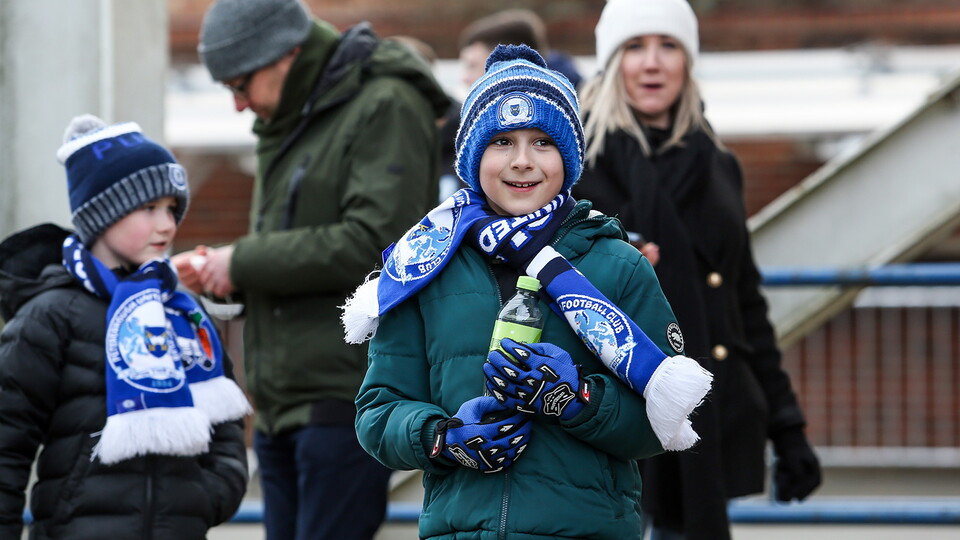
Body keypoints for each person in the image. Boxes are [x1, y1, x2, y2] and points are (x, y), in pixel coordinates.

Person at [347, 44, 712, 539]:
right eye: (501, 142)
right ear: (472, 156)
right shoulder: (425, 265)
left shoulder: (619, 265)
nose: (522, 161)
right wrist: (443, 437)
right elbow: (378, 411)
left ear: (569, 157)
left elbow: (657, 426)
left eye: (543, 142)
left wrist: (576, 399)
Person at [178, 1, 451, 539]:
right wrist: (228, 275)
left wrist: (242, 261)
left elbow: (379, 245)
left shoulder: (385, 103)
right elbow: (298, 242)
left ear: (284, 54)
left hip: (345, 397)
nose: (237, 105)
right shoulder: (294, 113)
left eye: (239, 84)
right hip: (282, 404)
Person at [572, 1, 823, 538]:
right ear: (612, 63)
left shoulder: (719, 166)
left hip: (706, 411)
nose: (652, 62)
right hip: (610, 416)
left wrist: (788, 425)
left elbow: (743, 301)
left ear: (687, 60)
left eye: (668, 46)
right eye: (634, 47)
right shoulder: (576, 166)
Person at [0, 115, 249, 540]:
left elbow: (225, 426)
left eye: (171, 209)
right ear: (103, 215)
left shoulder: (184, 312)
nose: (166, 224)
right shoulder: (52, 315)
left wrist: (208, 494)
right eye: (148, 208)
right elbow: (7, 441)